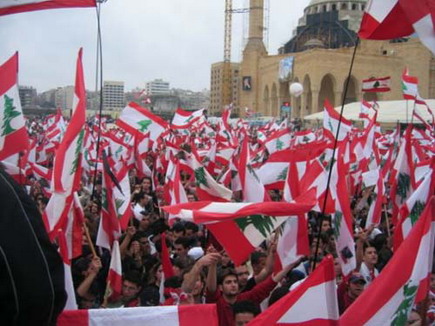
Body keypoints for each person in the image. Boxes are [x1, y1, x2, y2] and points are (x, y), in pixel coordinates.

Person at [206, 253, 300, 326]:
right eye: (228, 282)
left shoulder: (246, 298)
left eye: (235, 281)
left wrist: (290, 265)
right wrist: (213, 265)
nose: (233, 285)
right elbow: (211, 289)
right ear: (220, 287)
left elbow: (269, 284)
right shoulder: (216, 303)